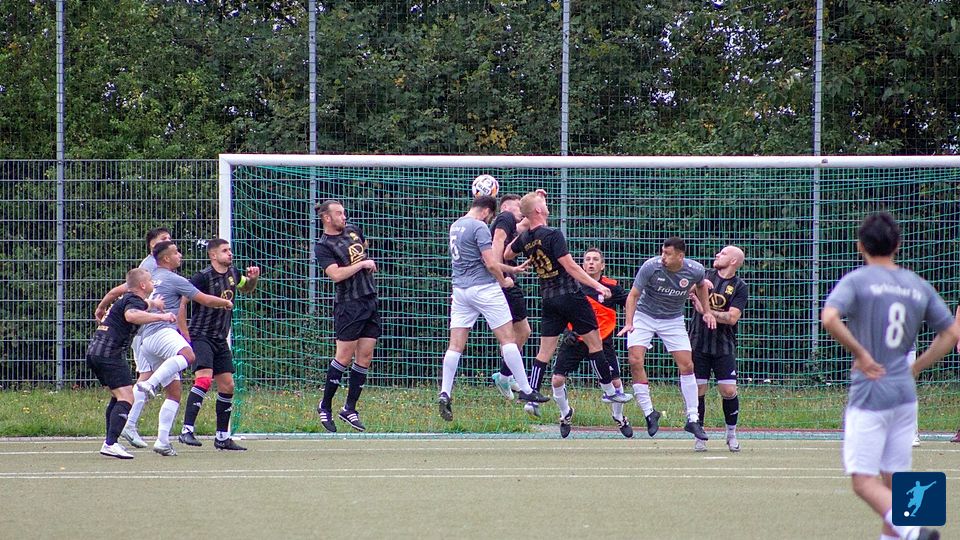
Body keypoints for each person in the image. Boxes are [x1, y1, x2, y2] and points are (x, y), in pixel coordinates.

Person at [821, 212, 957, 540]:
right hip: (905, 393)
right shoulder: (916, 284)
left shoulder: (857, 280)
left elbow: (829, 318)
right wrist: (916, 367)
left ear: (860, 246)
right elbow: (951, 333)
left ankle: (913, 530)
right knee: (897, 481)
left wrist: (862, 354)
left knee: (863, 480)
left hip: (871, 391)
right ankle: (913, 529)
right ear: (897, 245)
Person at [504, 191, 625, 439]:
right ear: (538, 211)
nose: (547, 205)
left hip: (548, 299)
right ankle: (609, 390)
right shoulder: (553, 234)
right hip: (570, 295)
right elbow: (571, 267)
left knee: (544, 351)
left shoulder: (525, 238)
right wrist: (599, 286)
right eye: (543, 203)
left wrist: (525, 223)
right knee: (595, 343)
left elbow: (506, 254)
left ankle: (531, 395)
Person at [438, 196, 549, 420]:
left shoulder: (455, 226)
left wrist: (512, 270)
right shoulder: (479, 227)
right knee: (508, 339)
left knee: (455, 345)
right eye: (490, 216)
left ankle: (445, 392)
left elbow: (478, 260)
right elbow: (489, 263)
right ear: (487, 211)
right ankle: (527, 390)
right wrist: (503, 280)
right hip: (484, 289)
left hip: (460, 291)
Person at [130, 241, 234, 456]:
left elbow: (127, 292)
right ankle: (151, 385)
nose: (181, 255)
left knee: (175, 392)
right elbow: (203, 299)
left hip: (145, 338)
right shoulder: (176, 279)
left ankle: (158, 439)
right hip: (161, 332)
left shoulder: (151, 277)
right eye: (176, 252)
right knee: (188, 354)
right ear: (167, 258)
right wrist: (224, 303)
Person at [617, 237, 715, 441]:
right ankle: (649, 413)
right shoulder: (651, 267)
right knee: (635, 359)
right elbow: (633, 295)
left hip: (673, 319)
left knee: (687, 365)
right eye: (662, 252)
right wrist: (629, 322)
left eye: (668, 254)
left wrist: (707, 311)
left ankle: (693, 419)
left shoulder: (695, 270)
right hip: (644, 316)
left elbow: (701, 286)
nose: (663, 257)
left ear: (680, 256)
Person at [177, 239, 260, 451]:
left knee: (228, 385)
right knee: (204, 379)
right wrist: (184, 334)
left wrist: (253, 280)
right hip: (201, 335)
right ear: (213, 255)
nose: (229, 253)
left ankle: (222, 437)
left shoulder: (233, 273)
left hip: (220, 338)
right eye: (225, 250)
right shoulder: (202, 277)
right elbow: (183, 302)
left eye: (229, 250)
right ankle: (186, 430)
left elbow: (246, 288)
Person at [93, 227, 171, 448]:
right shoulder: (148, 269)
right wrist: (162, 316)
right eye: (163, 239)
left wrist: (154, 303)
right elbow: (131, 313)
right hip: (111, 350)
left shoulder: (135, 296)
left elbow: (133, 300)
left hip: (99, 349)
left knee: (120, 394)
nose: (168, 242)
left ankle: (112, 439)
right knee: (130, 394)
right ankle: (113, 441)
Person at [553, 248, 634, 437]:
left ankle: (619, 417)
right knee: (557, 379)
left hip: (602, 341)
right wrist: (566, 330)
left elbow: (631, 301)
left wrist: (631, 322)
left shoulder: (612, 287)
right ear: (582, 265)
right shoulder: (573, 285)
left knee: (615, 382)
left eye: (595, 259)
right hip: (575, 339)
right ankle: (565, 414)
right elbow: (560, 311)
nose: (591, 262)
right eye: (587, 259)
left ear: (602, 265)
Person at [313, 200, 379, 433]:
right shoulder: (323, 246)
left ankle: (349, 408)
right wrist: (361, 265)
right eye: (339, 213)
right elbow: (336, 275)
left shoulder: (353, 230)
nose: (344, 216)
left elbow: (363, 246)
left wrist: (365, 262)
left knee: (366, 356)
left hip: (369, 299)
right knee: (343, 357)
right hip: (348, 305)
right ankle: (325, 406)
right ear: (327, 218)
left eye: (343, 213)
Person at [688, 245, 748, 452]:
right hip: (698, 342)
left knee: (728, 390)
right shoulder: (704, 276)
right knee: (698, 388)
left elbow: (731, 318)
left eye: (722, 253)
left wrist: (706, 310)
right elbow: (685, 289)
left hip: (724, 345)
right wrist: (695, 290)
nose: (717, 255)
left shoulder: (739, 286)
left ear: (733, 261)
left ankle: (731, 434)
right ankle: (700, 434)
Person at [489, 193, 532, 400]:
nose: (521, 210)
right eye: (518, 206)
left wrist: (539, 200)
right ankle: (505, 376)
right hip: (505, 283)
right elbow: (497, 243)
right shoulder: (504, 218)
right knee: (521, 332)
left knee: (513, 334)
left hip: (506, 281)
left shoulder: (511, 226)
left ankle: (506, 374)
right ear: (506, 207)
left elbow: (528, 223)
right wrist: (501, 275)